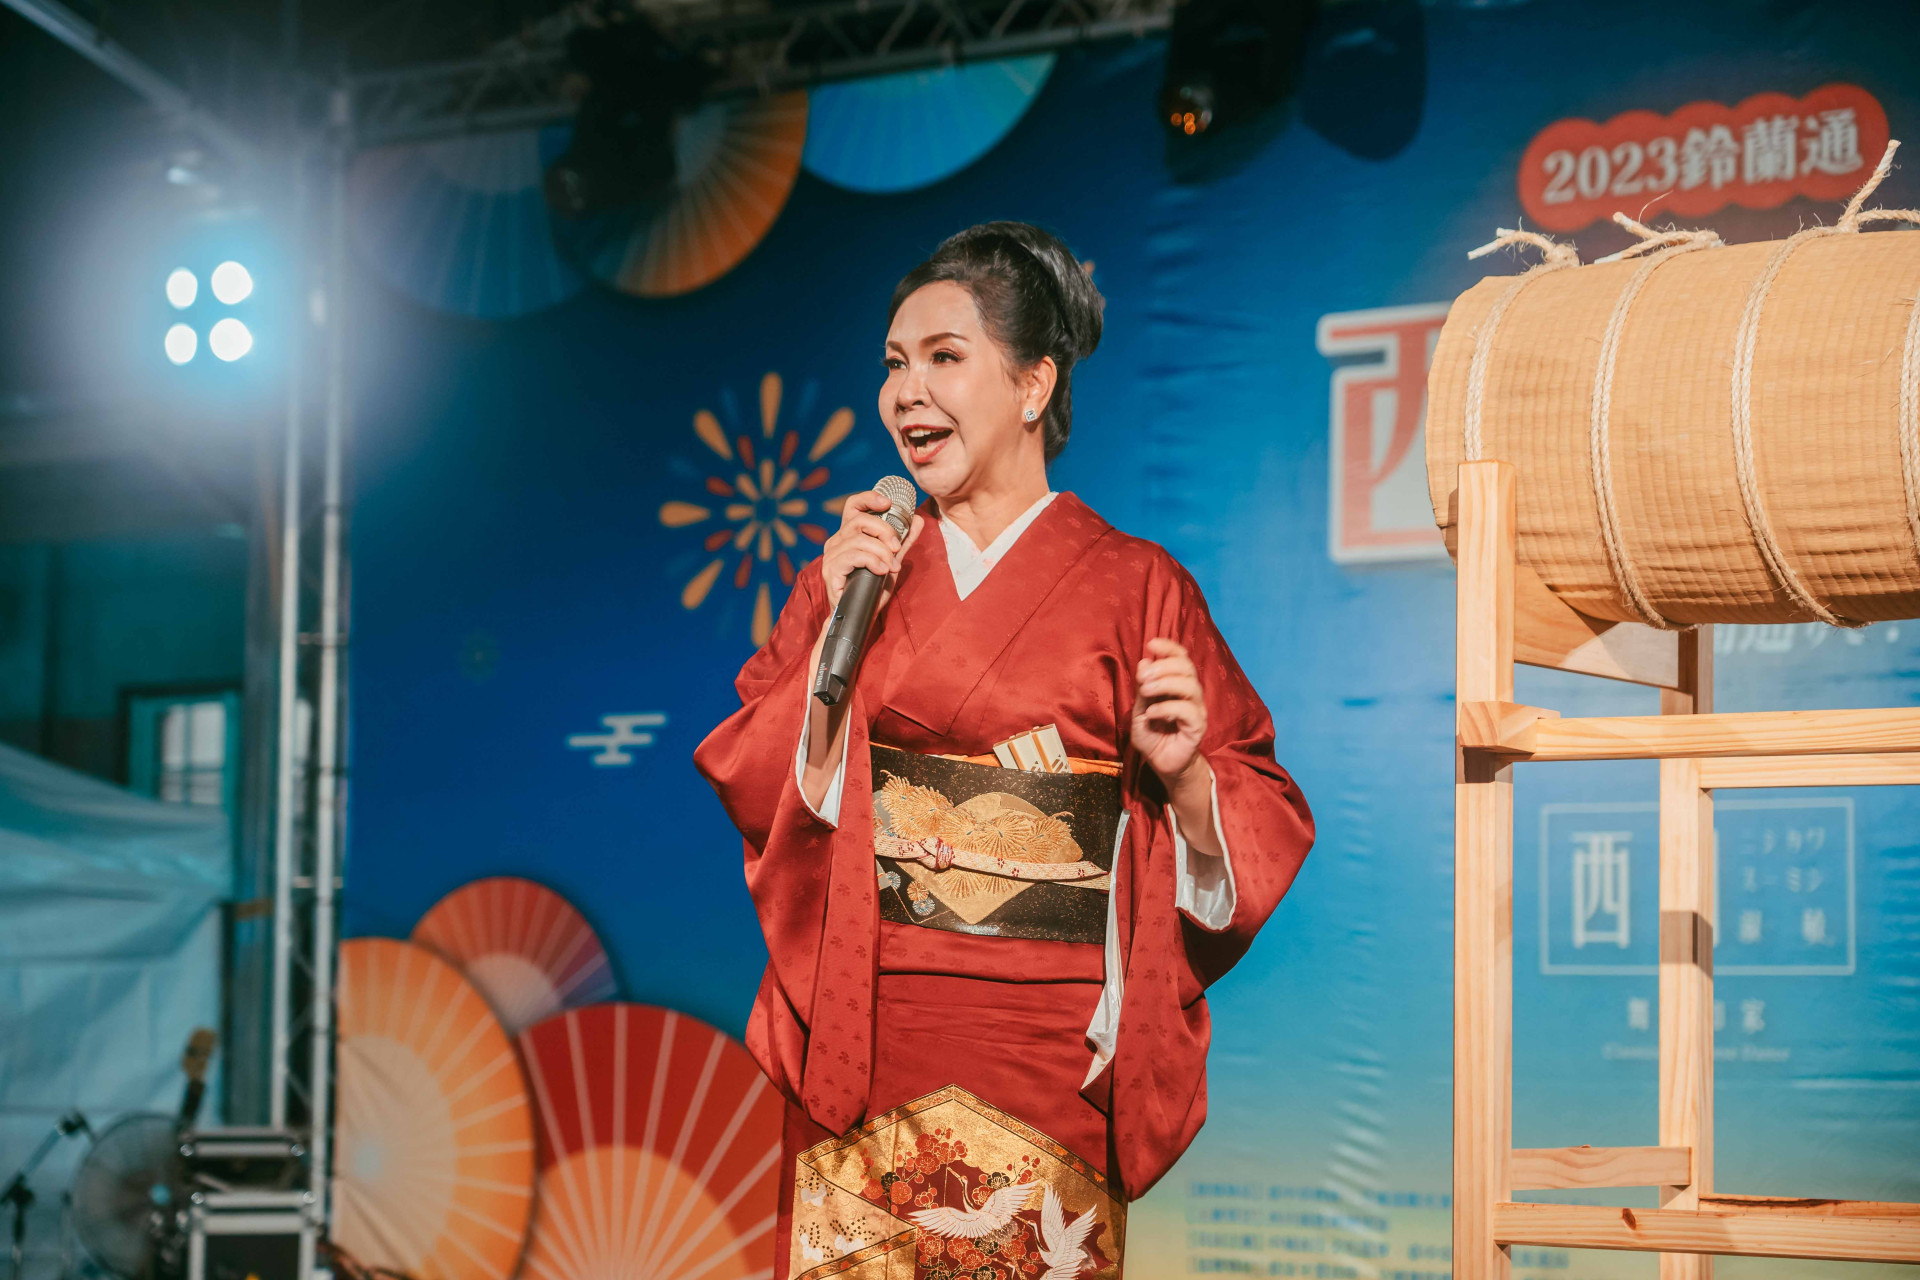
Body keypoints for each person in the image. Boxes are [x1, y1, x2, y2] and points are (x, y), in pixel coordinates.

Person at [695, 221, 1313, 1280]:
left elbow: (1258, 802)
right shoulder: (853, 576)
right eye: (894, 363)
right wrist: (832, 644)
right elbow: (760, 781)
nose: (907, 393)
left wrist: (1187, 779)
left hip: (1047, 1049)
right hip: (868, 1032)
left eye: (944, 357)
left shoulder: (1137, 587)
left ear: (1034, 384)